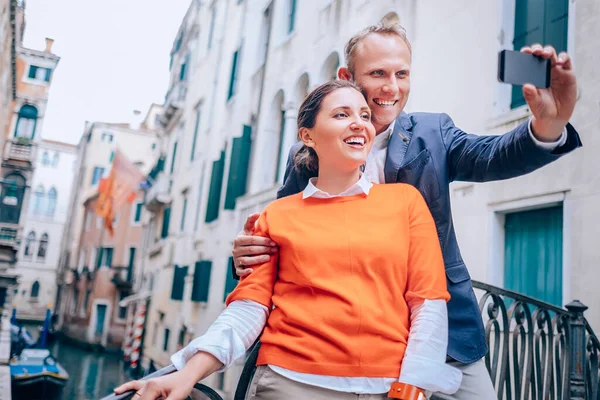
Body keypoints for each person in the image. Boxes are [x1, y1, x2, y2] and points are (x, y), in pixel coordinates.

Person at [231, 22, 582, 400]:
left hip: (445, 339)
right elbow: (283, 229)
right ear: (347, 77)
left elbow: (492, 156)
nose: (391, 88)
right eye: (378, 73)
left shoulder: (434, 131)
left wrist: (549, 124)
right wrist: (247, 252)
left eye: (401, 74)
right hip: (344, 351)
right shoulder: (309, 154)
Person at [115, 80, 462, 400]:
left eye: (365, 115)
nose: (359, 123)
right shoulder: (277, 214)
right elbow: (248, 309)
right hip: (286, 384)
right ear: (307, 136)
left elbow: (428, 303)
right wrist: (187, 373)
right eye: (342, 114)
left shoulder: (405, 201)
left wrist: (414, 386)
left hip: (386, 388)